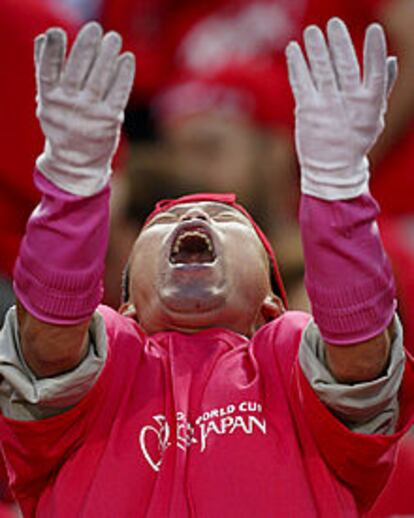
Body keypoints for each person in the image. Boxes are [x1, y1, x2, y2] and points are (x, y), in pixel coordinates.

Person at [0, 18, 413, 518]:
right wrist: (73, 184)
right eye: (165, 219)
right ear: (125, 302)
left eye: (223, 216)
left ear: (270, 302)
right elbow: (49, 340)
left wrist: (338, 188)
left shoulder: (288, 360)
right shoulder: (107, 360)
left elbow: (358, 359)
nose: (193, 215)